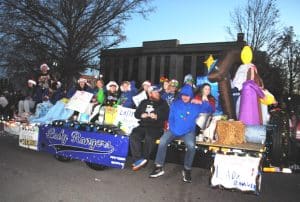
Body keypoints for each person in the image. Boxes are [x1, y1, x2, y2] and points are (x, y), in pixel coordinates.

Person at [149, 84, 214, 183]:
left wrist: (203, 99)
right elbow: (170, 117)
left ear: (191, 96)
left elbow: (209, 110)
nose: (185, 97)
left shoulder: (195, 105)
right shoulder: (175, 104)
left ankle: (187, 169)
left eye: (187, 95)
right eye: (183, 95)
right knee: (162, 141)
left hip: (188, 131)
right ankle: (159, 166)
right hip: (174, 129)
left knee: (191, 146)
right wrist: (172, 128)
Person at [130, 85, 169, 171]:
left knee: (149, 137)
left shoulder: (163, 103)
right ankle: (138, 160)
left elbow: (167, 115)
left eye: (158, 92)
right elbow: (136, 114)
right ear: (150, 93)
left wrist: (157, 116)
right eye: (155, 92)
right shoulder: (143, 102)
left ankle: (144, 159)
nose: (158, 94)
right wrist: (141, 115)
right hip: (143, 125)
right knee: (134, 135)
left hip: (156, 127)